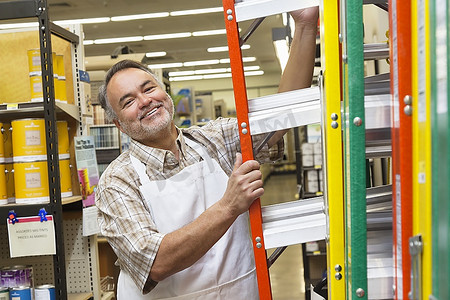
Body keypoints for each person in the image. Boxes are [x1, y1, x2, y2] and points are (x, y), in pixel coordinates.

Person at [96, 6, 318, 299]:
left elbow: (281, 118)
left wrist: (305, 26)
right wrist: (229, 206)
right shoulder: (117, 182)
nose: (145, 101)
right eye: (128, 101)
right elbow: (156, 262)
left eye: (148, 88)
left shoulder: (213, 140)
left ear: (164, 92)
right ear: (119, 125)